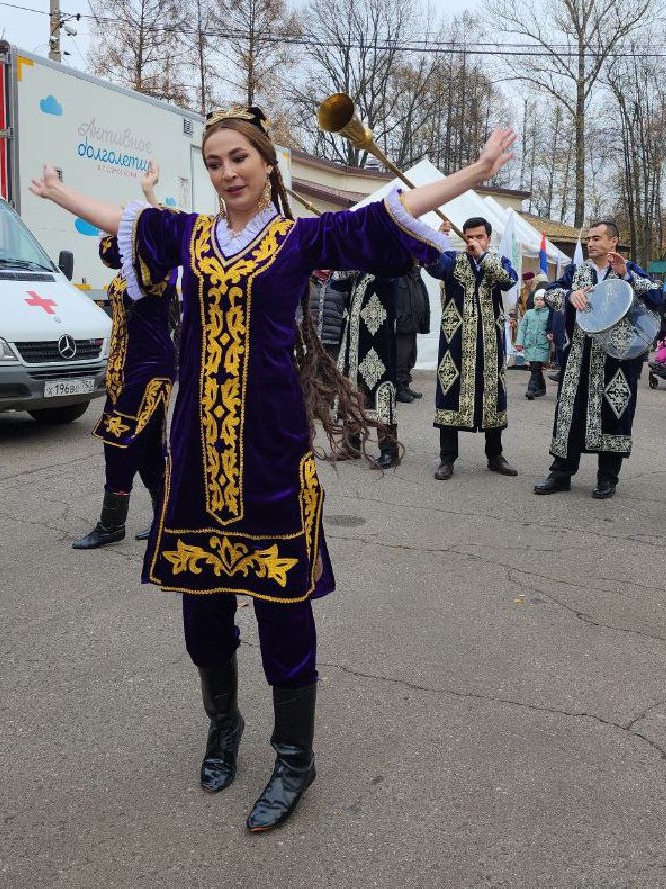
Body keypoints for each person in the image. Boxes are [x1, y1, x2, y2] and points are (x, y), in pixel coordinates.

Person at [30, 105, 514, 833]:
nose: (227, 173)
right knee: (202, 607)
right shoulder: (189, 235)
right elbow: (128, 221)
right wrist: (62, 194)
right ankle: (223, 727)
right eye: (215, 162)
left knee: (283, 605)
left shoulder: (299, 239)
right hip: (198, 448)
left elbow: (390, 213)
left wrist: (474, 173)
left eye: (239, 159)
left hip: (269, 449)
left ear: (265, 164)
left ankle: (294, 757)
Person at [70, 168, 175, 550]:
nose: (109, 246)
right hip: (124, 368)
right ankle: (166, 520)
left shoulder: (153, 270)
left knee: (119, 440)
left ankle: (112, 525)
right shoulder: (127, 275)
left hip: (148, 369)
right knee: (146, 447)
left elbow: (165, 232)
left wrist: (150, 196)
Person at [534, 220, 666, 499]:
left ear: (613, 241)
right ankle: (561, 473)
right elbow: (549, 293)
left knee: (614, 413)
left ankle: (607, 477)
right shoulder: (576, 271)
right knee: (570, 413)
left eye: (596, 238)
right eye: (589, 239)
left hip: (618, 360)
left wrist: (627, 275)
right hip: (579, 356)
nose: (590, 243)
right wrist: (569, 295)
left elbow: (658, 299)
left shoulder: (629, 270)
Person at [426, 217, 519, 480]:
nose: (473, 241)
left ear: (488, 239)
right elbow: (433, 266)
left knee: (492, 394)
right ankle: (447, 458)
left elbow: (508, 281)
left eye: (479, 237)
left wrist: (483, 257)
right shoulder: (452, 260)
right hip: (455, 341)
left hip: (489, 341)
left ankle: (495, 455)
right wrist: (437, 240)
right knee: (450, 391)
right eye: (469, 237)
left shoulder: (499, 261)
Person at [332, 269, 403, 469]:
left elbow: (391, 276)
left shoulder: (388, 260)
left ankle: (389, 450)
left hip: (378, 340)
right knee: (350, 388)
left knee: (380, 390)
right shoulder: (358, 268)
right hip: (353, 339)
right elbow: (337, 284)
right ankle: (351, 444)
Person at [393, 265, 430, 403]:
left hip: (413, 323)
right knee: (401, 356)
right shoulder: (399, 275)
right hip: (403, 323)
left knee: (410, 356)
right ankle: (398, 388)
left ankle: (405, 384)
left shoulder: (416, 276)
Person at [515, 288, 553, 398]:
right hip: (530, 345)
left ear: (546, 301)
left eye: (542, 299)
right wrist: (519, 342)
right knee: (535, 368)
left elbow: (552, 327)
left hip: (542, 345)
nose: (539, 301)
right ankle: (542, 389)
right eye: (537, 299)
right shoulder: (529, 313)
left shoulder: (549, 313)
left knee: (535, 367)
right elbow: (522, 328)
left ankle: (531, 389)